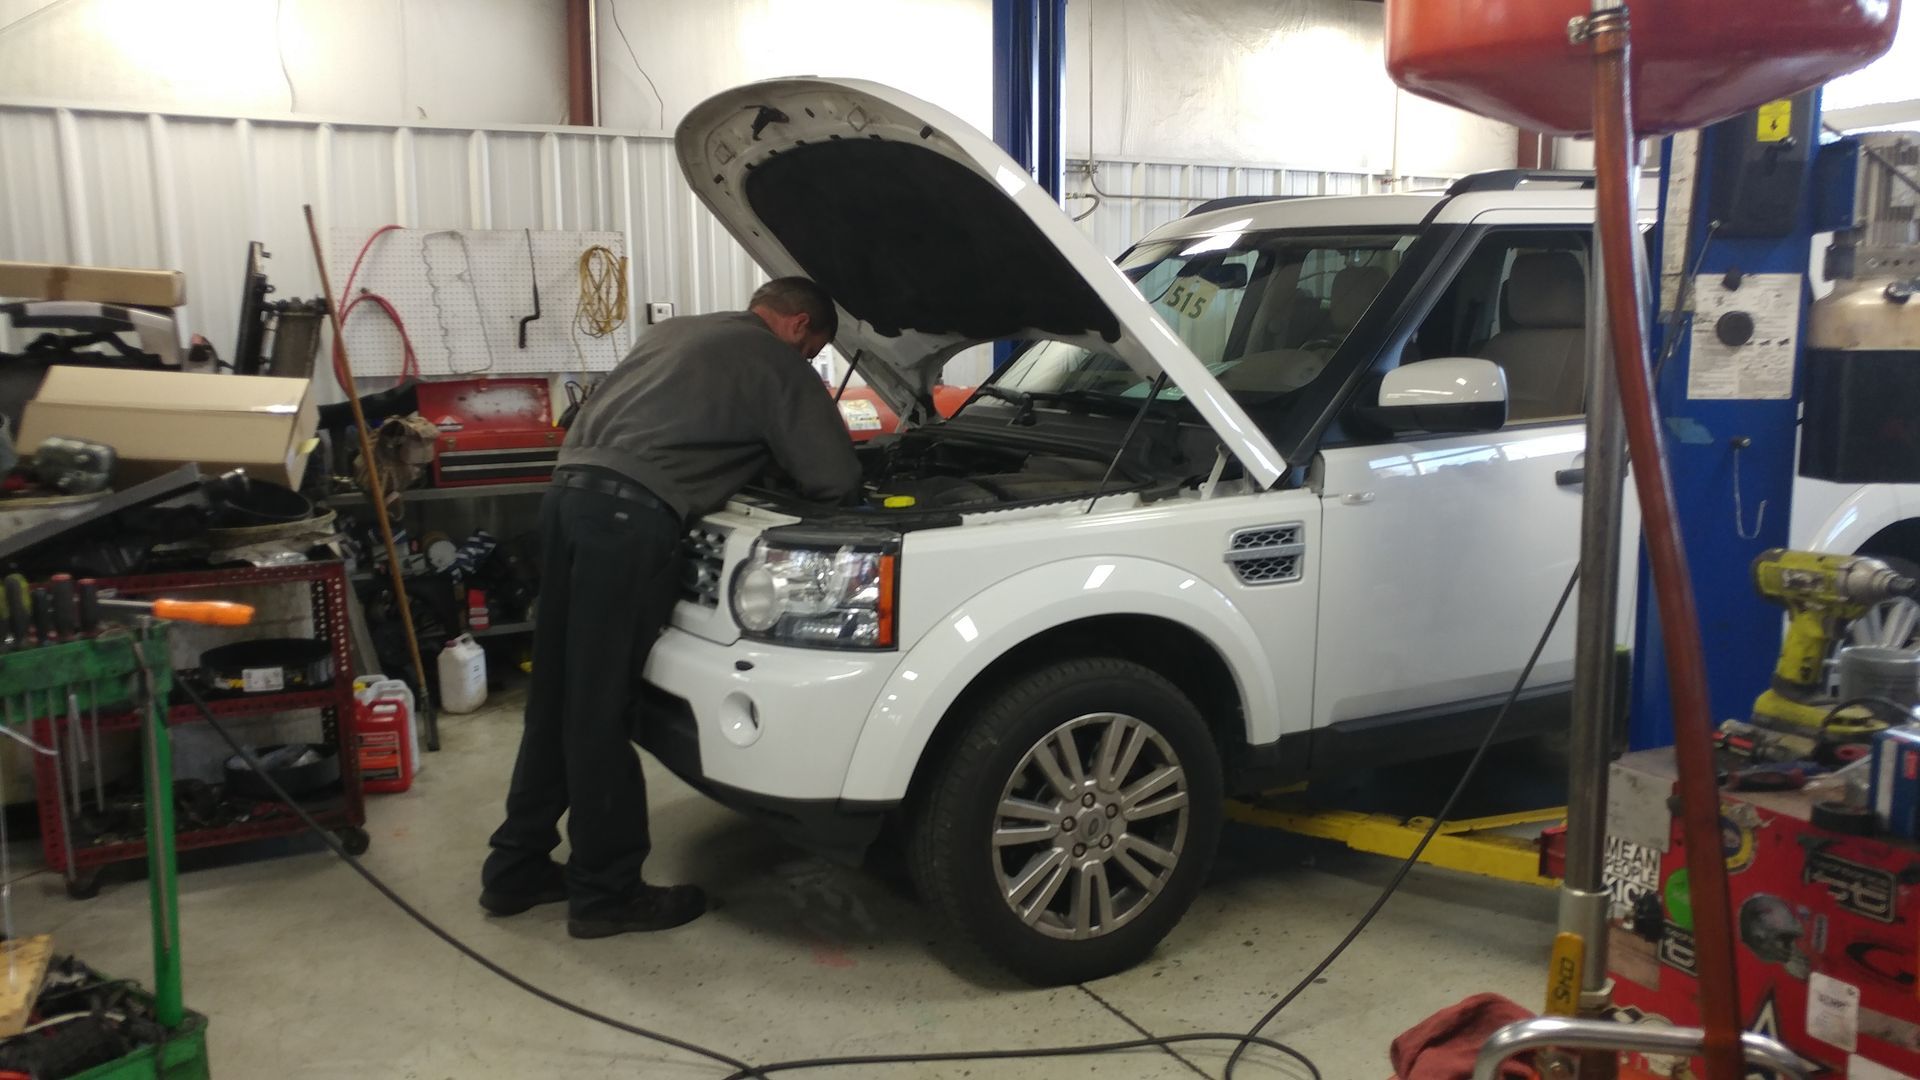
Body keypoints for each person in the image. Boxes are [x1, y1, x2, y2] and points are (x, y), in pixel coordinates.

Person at [480, 277, 864, 938]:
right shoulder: (773, 360)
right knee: (600, 709)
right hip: (627, 522)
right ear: (800, 327)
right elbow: (833, 477)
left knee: (557, 697)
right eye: (813, 351)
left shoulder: (674, 333)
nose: (806, 363)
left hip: (566, 499)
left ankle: (515, 868)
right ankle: (606, 892)